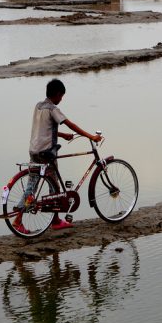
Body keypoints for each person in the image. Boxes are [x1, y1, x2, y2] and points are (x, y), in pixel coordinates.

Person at [19, 78, 102, 232]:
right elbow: (70, 124)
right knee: (55, 187)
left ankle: (18, 220)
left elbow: (45, 128)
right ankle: (55, 221)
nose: (61, 99)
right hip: (46, 153)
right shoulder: (53, 109)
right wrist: (91, 136)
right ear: (57, 94)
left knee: (32, 185)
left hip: (34, 150)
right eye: (61, 96)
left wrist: (62, 135)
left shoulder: (39, 106)